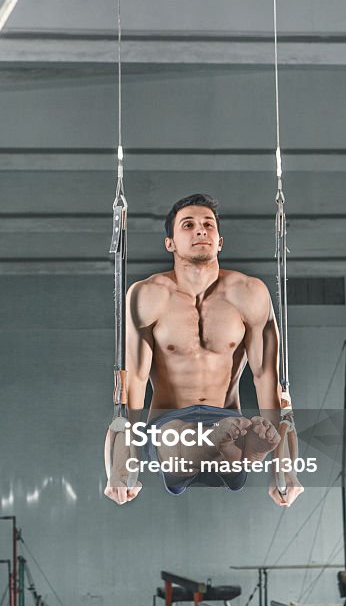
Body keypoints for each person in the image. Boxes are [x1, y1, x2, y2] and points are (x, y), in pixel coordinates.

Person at [104, 193, 304, 506]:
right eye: (189, 225)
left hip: (226, 414)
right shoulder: (146, 296)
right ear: (169, 242)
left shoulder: (249, 293)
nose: (201, 231)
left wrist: (284, 469)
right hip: (170, 422)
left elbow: (269, 380)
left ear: (220, 241)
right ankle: (229, 444)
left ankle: (232, 444)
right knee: (177, 441)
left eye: (208, 225)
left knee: (233, 445)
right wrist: (121, 468)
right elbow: (132, 387)